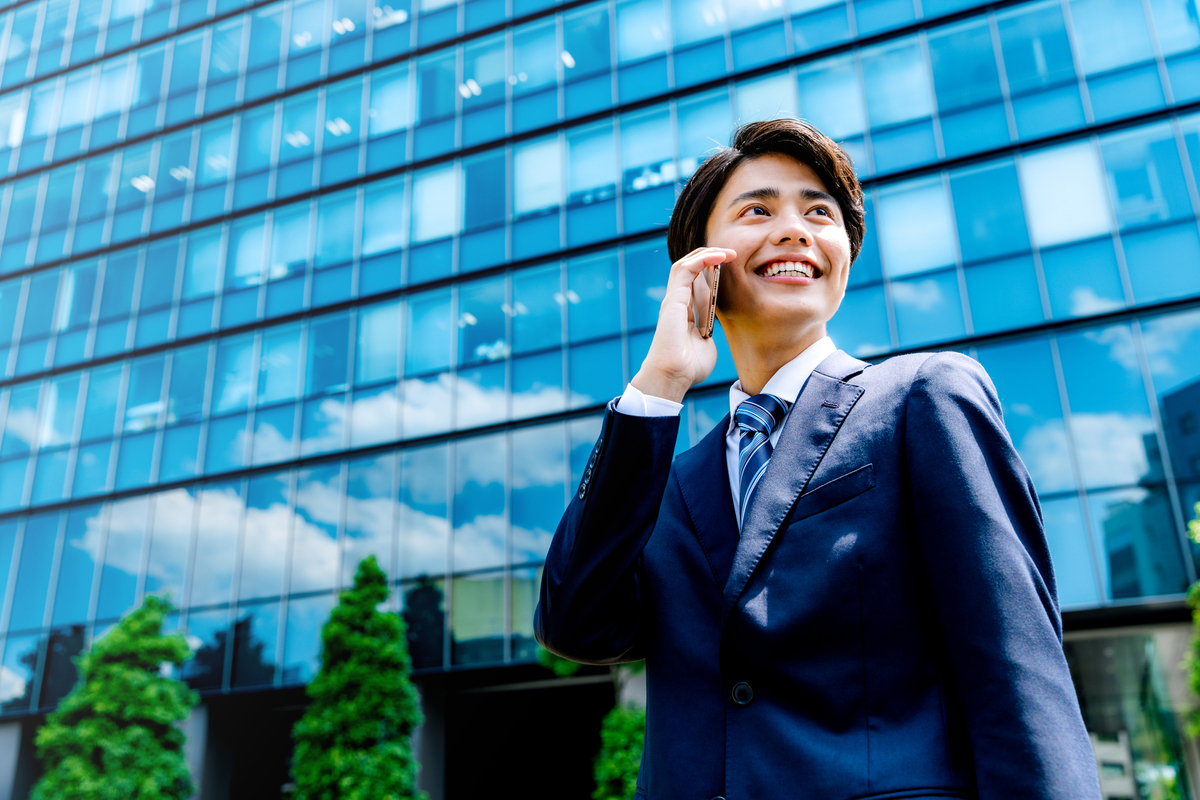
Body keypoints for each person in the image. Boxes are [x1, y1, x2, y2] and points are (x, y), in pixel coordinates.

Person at [534, 118, 1102, 800]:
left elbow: (1016, 672)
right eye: (758, 210)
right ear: (699, 264)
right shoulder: (672, 479)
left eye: (819, 213)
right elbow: (577, 623)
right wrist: (660, 384)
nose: (797, 229)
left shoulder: (921, 398)